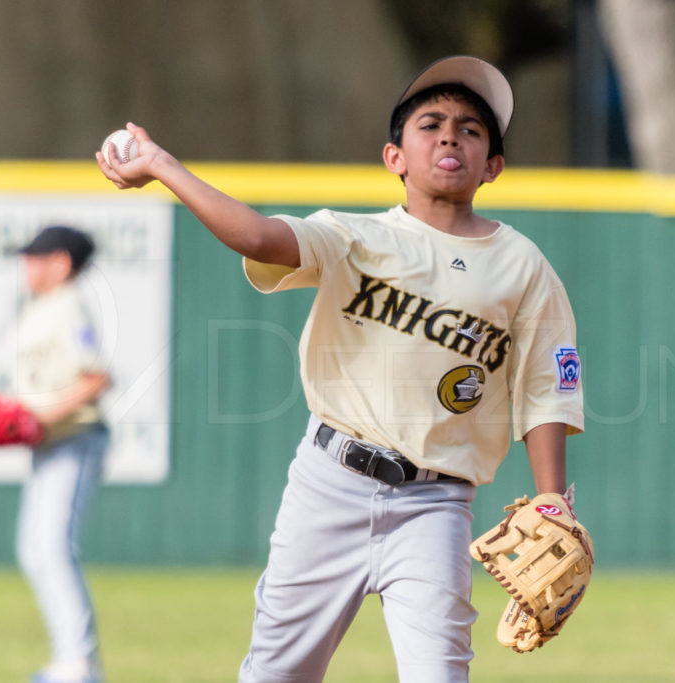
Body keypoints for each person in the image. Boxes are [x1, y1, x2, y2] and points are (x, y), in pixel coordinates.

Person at [97, 55, 584, 683]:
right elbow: (259, 238)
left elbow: (547, 387)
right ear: (395, 157)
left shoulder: (522, 265)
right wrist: (164, 166)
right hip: (329, 485)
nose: (449, 135)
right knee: (278, 674)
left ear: (492, 165)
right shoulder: (353, 236)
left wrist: (550, 500)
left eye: (470, 129)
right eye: (430, 123)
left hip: (436, 503)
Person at [12, 225, 111, 683]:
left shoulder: (68, 305)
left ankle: (78, 663)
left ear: (61, 263)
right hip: (52, 444)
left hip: (73, 440)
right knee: (34, 549)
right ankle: (69, 659)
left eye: (36, 256)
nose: (26, 264)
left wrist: (40, 416)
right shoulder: (43, 307)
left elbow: (94, 378)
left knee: (51, 548)